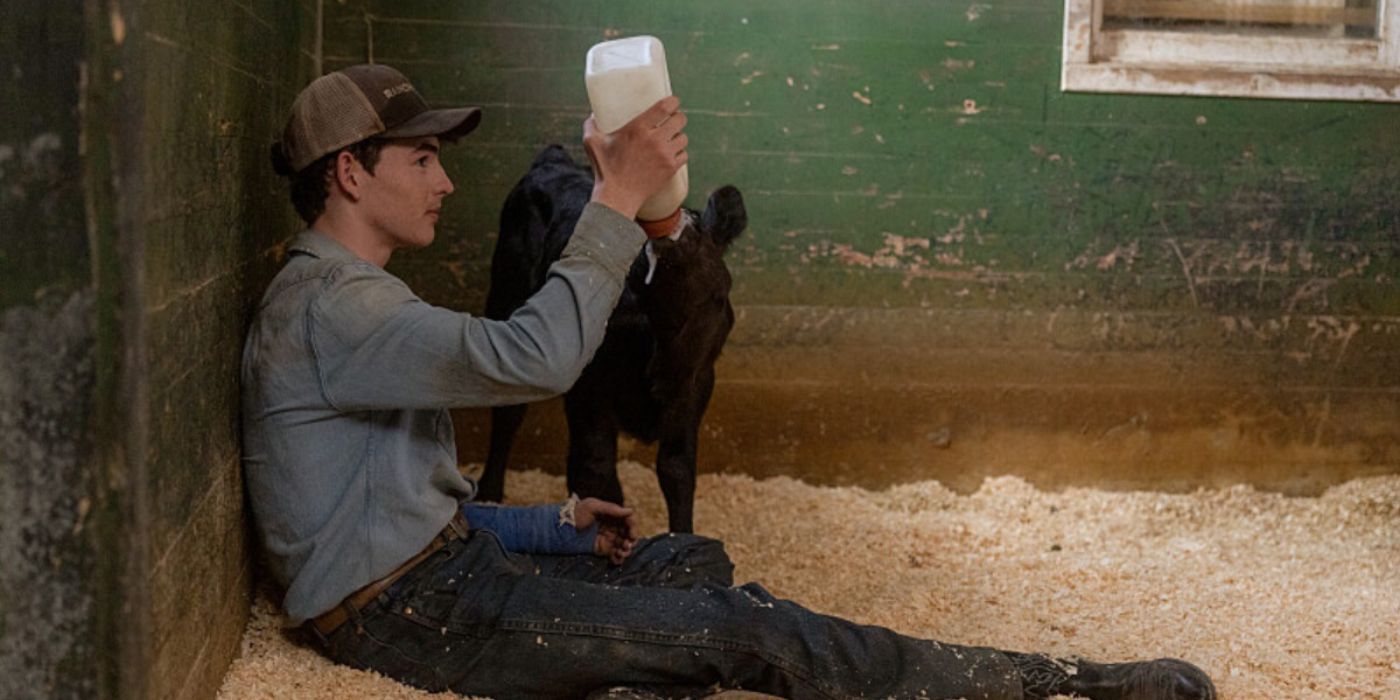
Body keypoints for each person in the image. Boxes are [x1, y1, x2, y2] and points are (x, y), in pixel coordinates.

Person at [242, 64, 1217, 700]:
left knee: (686, 561)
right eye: (420, 160)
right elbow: (533, 362)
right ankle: (1063, 685)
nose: (444, 182)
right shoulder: (338, 309)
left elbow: (404, 511)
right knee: (734, 624)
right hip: (414, 617)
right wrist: (616, 196)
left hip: (445, 577)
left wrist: (555, 523)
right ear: (350, 175)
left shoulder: (354, 299)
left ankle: (632, 660)